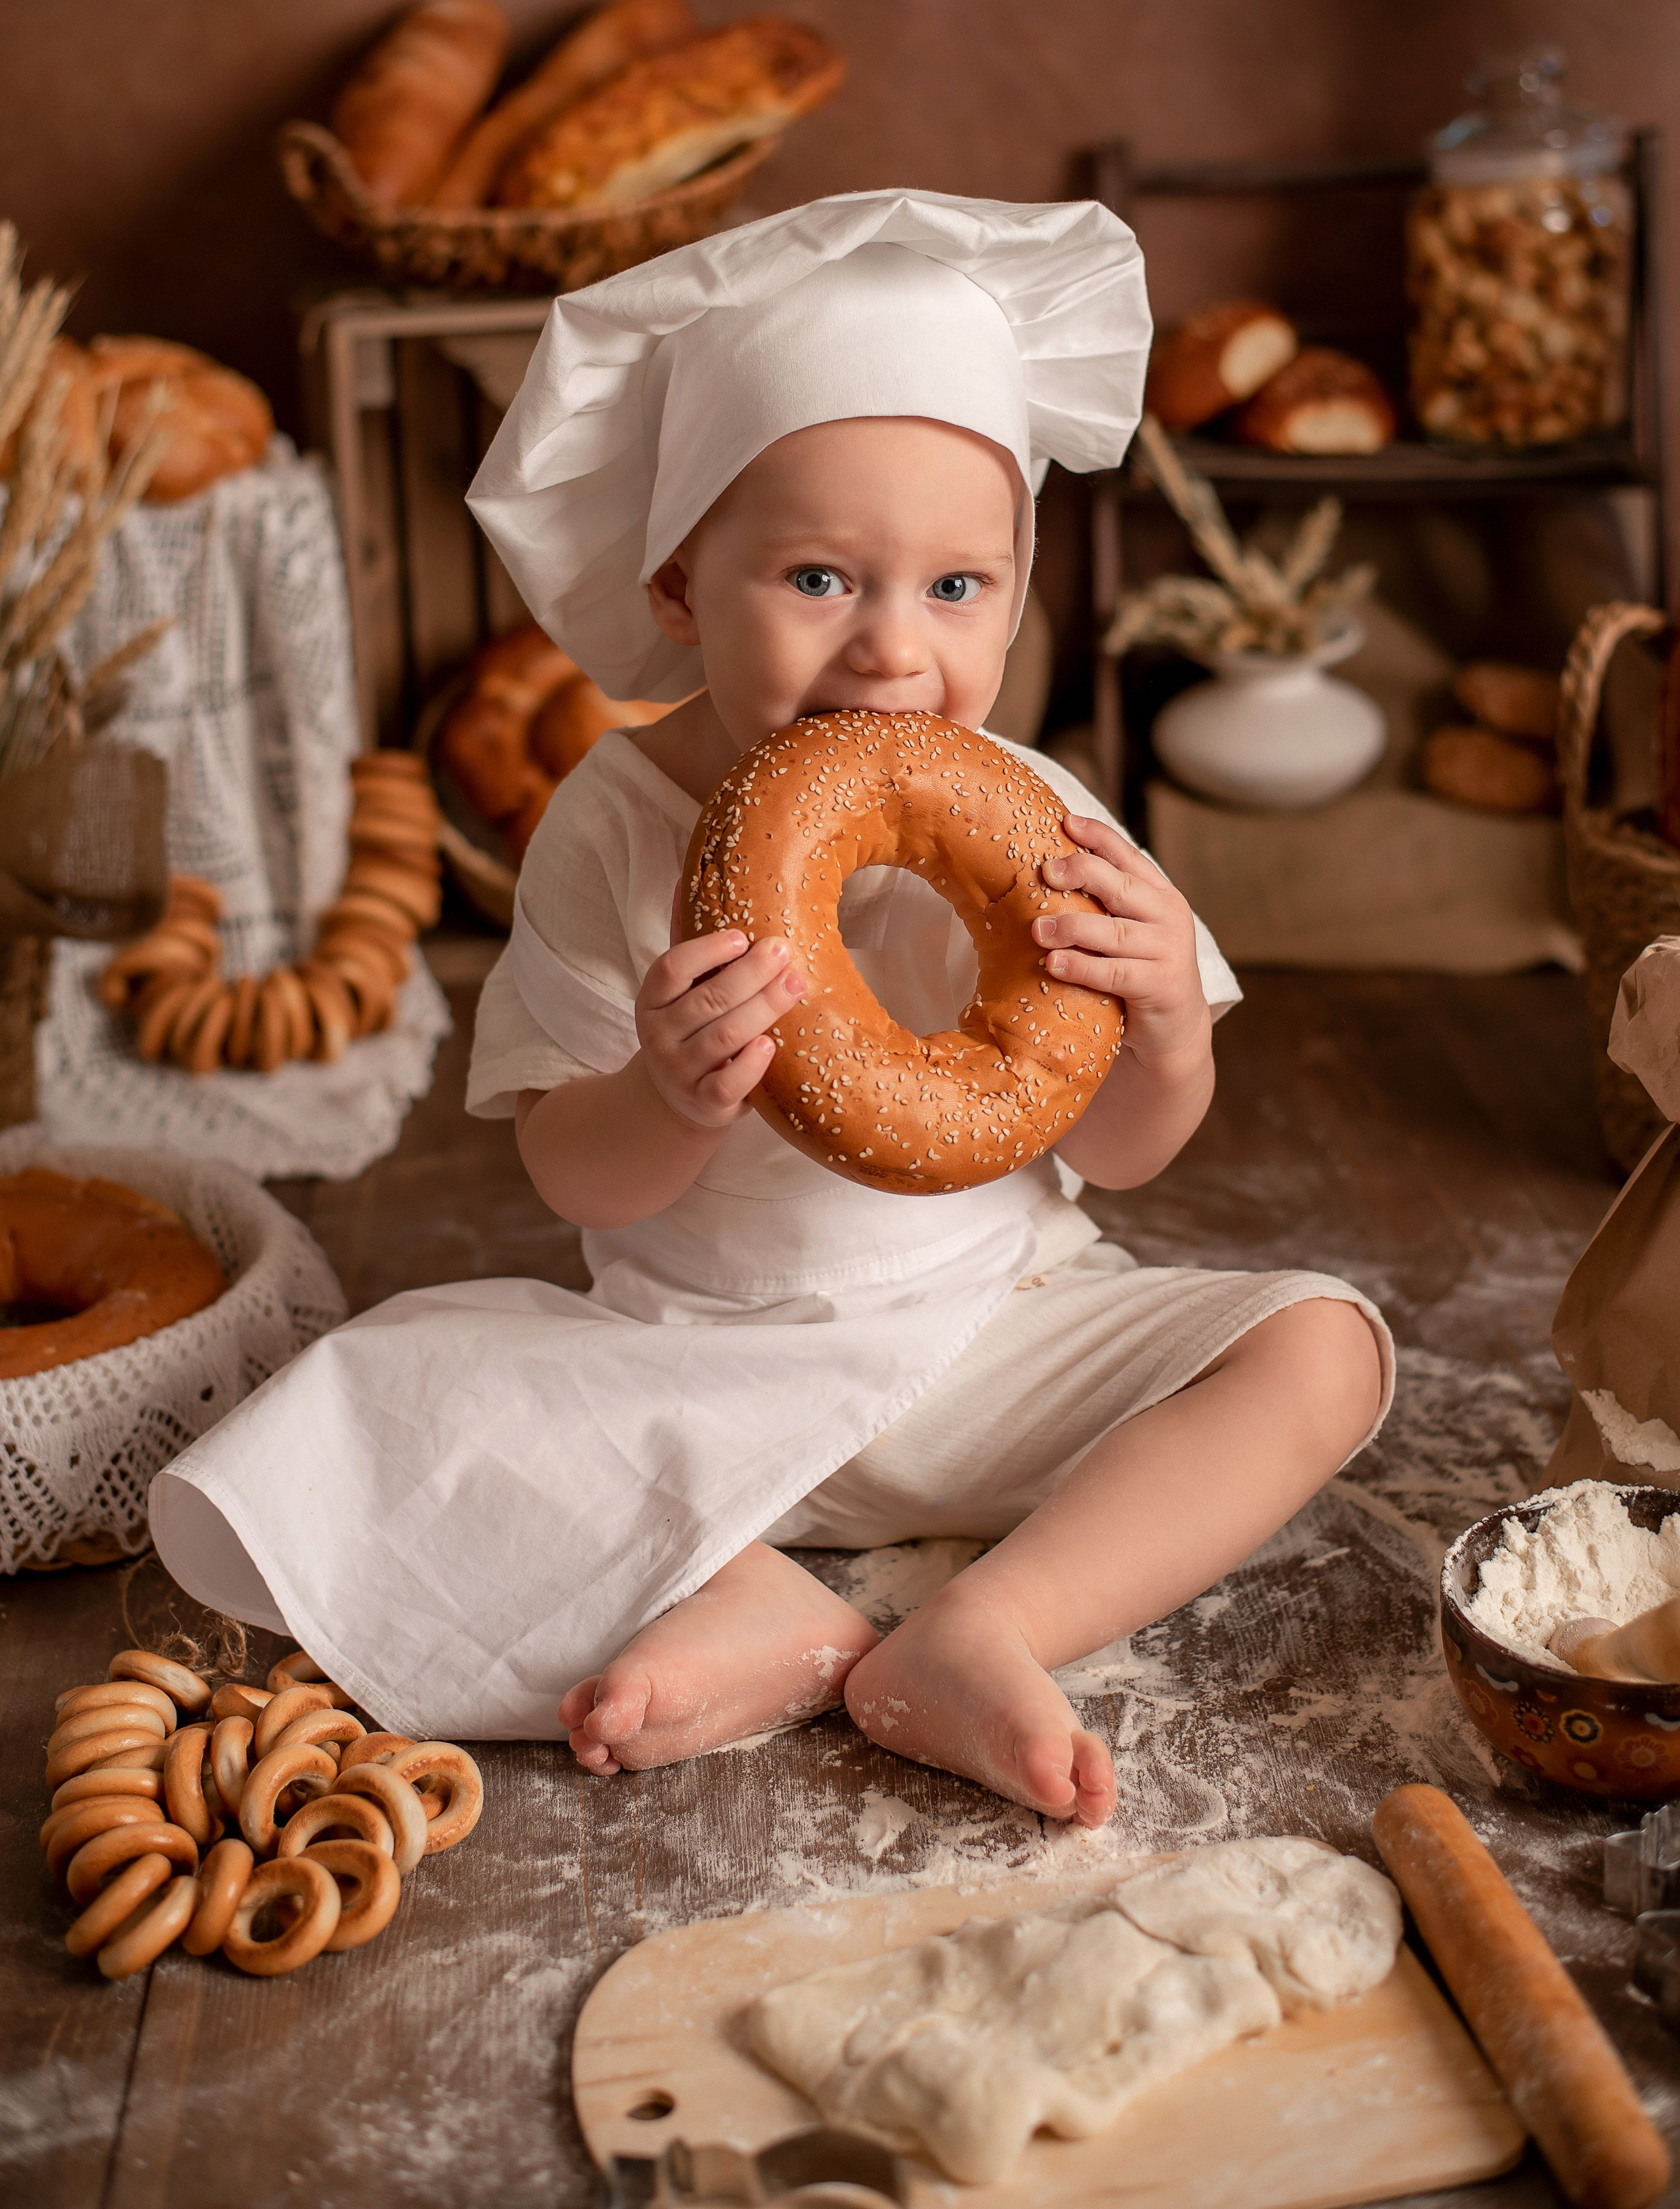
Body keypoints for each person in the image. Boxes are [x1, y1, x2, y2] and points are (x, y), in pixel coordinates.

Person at [150, 192, 1389, 1828]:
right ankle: (758, 1602)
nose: (891, 646)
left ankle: (984, 1623)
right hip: (697, 1380)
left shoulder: (1037, 814)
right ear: (676, 584)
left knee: (1321, 1348)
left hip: (996, 1334)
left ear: (1020, 592)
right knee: (364, 1393)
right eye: (817, 576)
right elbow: (570, 1179)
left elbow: (1132, 1151)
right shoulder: (608, 820)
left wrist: (1166, 1029)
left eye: (958, 586)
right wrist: (663, 1092)